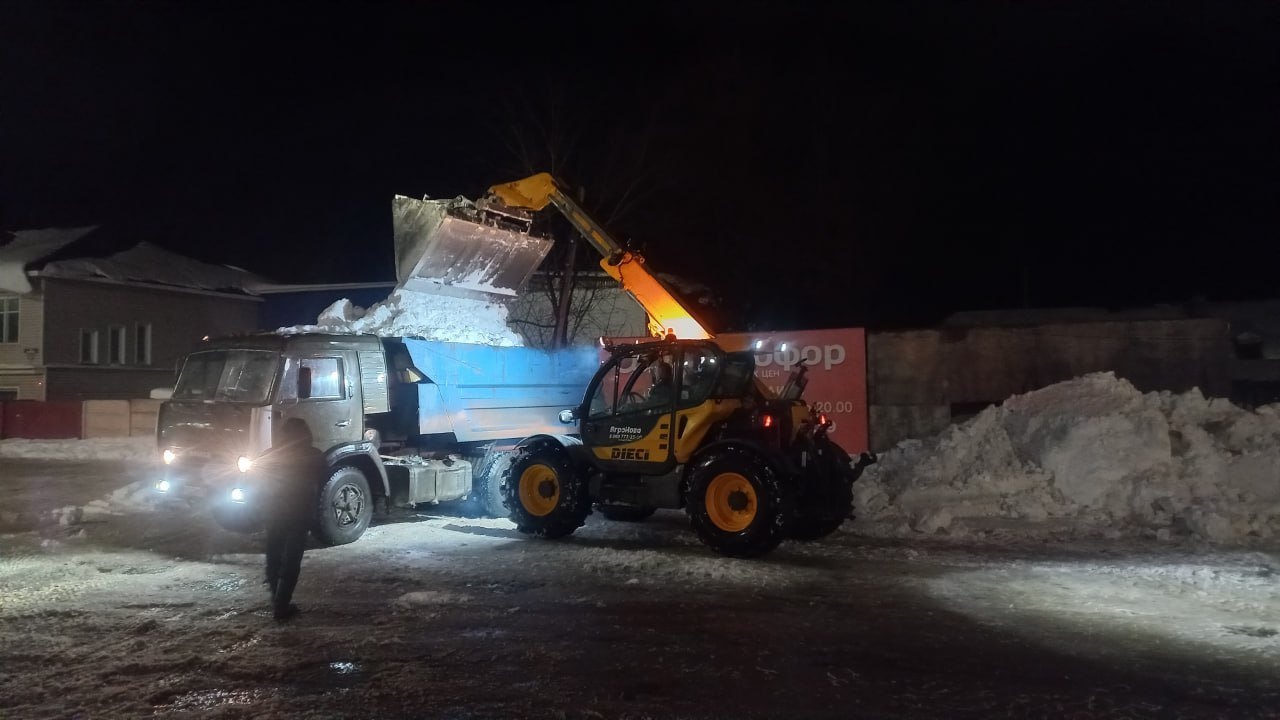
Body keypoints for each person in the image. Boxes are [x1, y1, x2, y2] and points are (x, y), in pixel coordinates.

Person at [260, 418, 325, 621]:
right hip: (300, 513)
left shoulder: (269, 455)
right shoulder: (315, 456)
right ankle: (282, 605)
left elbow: (257, 478)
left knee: (273, 557)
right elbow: (322, 480)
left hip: (274, 512)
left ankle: (275, 598)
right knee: (291, 561)